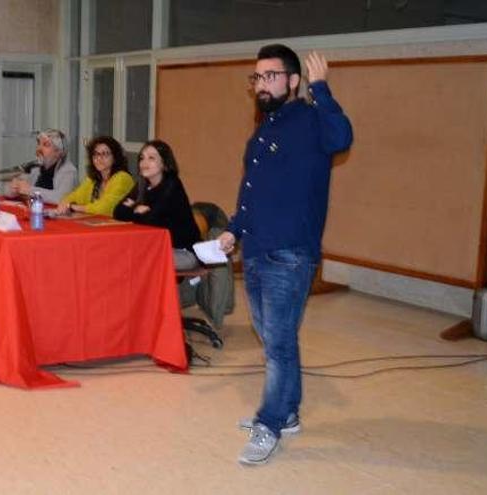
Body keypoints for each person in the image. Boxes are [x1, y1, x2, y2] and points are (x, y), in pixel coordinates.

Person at [217, 44, 353, 465]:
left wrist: (322, 89)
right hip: (256, 249)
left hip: (290, 254)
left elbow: (342, 137)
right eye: (256, 77)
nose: (261, 84)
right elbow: (251, 191)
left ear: (293, 81)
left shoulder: (312, 119)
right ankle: (288, 412)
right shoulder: (262, 131)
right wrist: (233, 230)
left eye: (270, 76)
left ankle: (270, 422)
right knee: (276, 338)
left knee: (276, 343)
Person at [113, 140, 201, 270]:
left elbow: (151, 221)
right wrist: (137, 211)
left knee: (134, 260)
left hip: (182, 251)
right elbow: (118, 212)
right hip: (155, 247)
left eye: (151, 158)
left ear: (164, 164)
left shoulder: (172, 185)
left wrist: (135, 211)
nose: (144, 163)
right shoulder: (142, 185)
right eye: (142, 158)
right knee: (119, 255)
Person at [54, 136, 134, 217]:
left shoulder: (123, 178)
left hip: (122, 228)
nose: (99, 158)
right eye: (95, 154)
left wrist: (71, 207)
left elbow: (104, 208)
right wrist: (64, 203)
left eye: (105, 154)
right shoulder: (93, 179)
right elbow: (75, 196)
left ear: (115, 157)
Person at [9, 129, 77, 204]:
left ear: (58, 152)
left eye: (46, 145)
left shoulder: (68, 170)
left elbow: (61, 198)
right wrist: (14, 189)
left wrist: (30, 190)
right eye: (38, 144)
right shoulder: (36, 168)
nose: (39, 149)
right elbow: (13, 189)